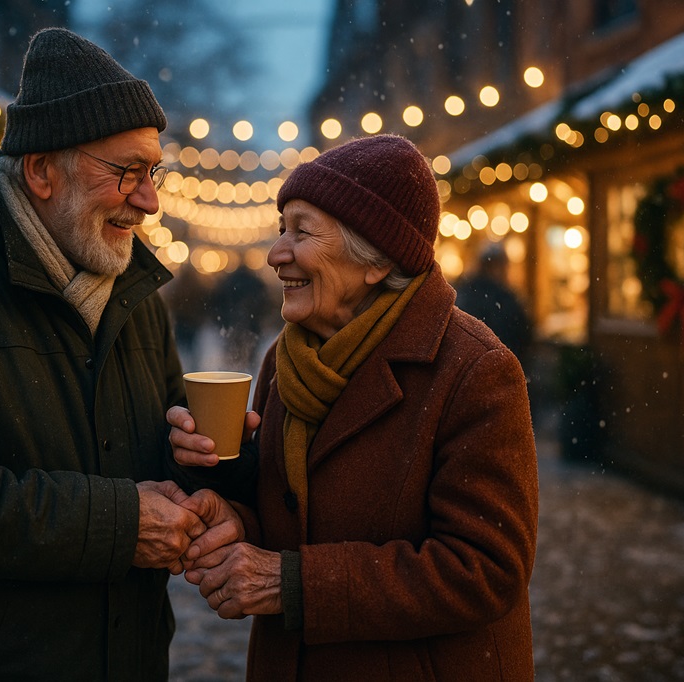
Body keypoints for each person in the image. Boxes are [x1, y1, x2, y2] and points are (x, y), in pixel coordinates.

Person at [0, 28, 241, 681]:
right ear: (41, 171)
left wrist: (209, 468)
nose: (150, 199)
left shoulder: (134, 292)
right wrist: (119, 524)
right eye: (128, 173)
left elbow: (144, 456)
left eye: (154, 172)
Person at [168, 134, 539, 680]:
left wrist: (292, 584)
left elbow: (484, 570)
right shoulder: (286, 358)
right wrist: (229, 508)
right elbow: (295, 517)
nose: (275, 253)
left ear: (375, 258)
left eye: (302, 231)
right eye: (280, 229)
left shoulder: (473, 370)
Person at [454, 242, 533, 366]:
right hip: (500, 366)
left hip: (468, 367)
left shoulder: (464, 292)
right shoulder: (505, 298)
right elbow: (522, 336)